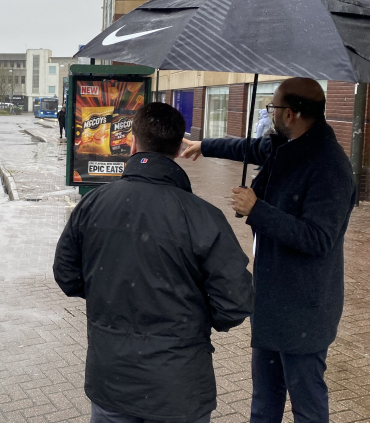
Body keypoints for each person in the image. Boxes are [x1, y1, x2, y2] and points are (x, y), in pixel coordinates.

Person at [54, 102, 254, 423]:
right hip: (179, 386)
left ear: (133, 142)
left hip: (112, 380)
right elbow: (235, 302)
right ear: (178, 149)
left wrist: (111, 295)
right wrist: (193, 321)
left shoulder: (93, 205)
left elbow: (67, 276)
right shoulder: (204, 217)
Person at [181, 78, 357, 423]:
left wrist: (258, 209)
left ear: (289, 113)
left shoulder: (329, 167)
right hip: (272, 299)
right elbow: (248, 148)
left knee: (307, 403)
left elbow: (319, 238)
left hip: (304, 306)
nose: (270, 113)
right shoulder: (287, 146)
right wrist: (205, 144)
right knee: (265, 398)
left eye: (272, 107)